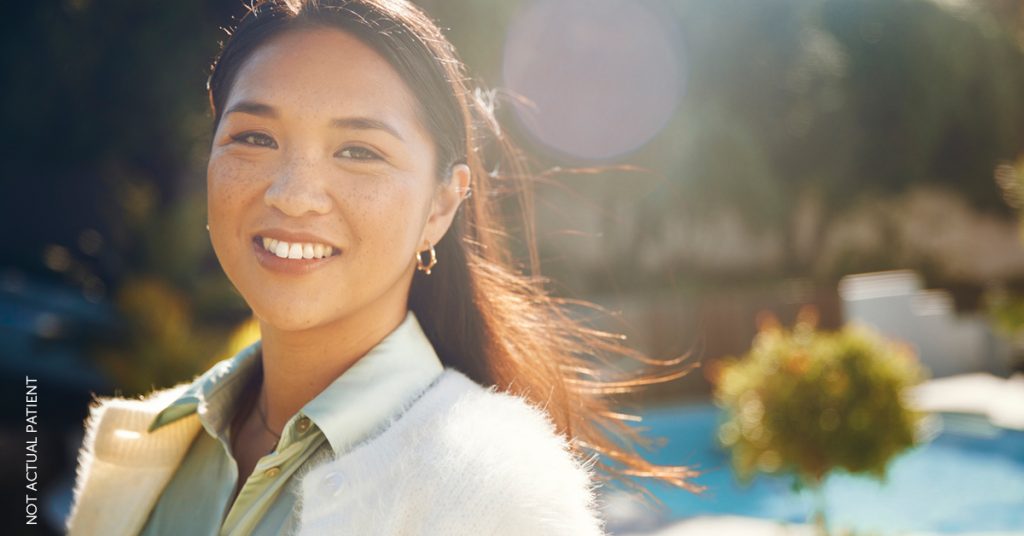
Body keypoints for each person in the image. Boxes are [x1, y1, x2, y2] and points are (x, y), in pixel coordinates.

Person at [65, 1, 698, 534]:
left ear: (442, 204)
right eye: (254, 138)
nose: (292, 194)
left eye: (358, 150)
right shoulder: (144, 440)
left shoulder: (496, 491)